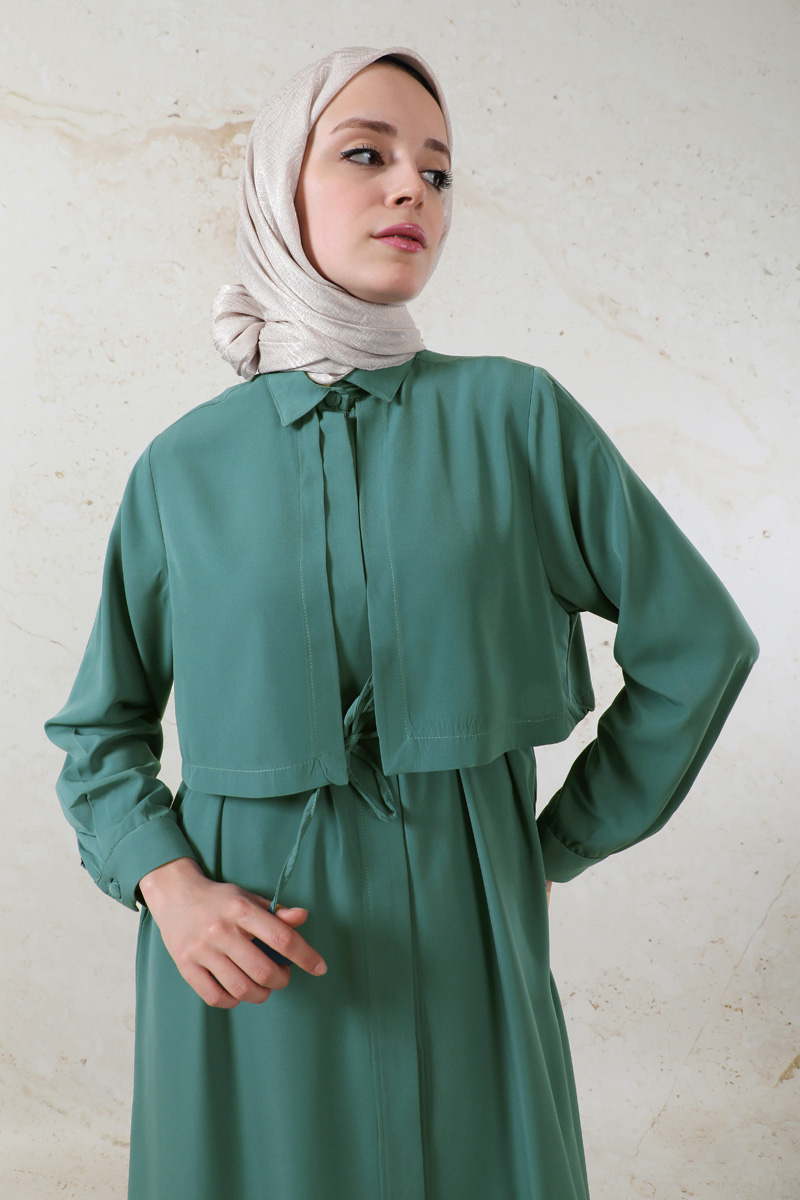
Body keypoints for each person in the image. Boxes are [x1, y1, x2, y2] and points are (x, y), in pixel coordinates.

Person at [43, 44, 759, 1200]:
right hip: (245, 959)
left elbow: (697, 645)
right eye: (364, 155)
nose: (409, 191)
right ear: (278, 185)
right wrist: (168, 888)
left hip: (466, 942)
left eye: (435, 170)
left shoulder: (515, 418)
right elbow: (98, 733)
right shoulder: (181, 467)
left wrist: (553, 846)